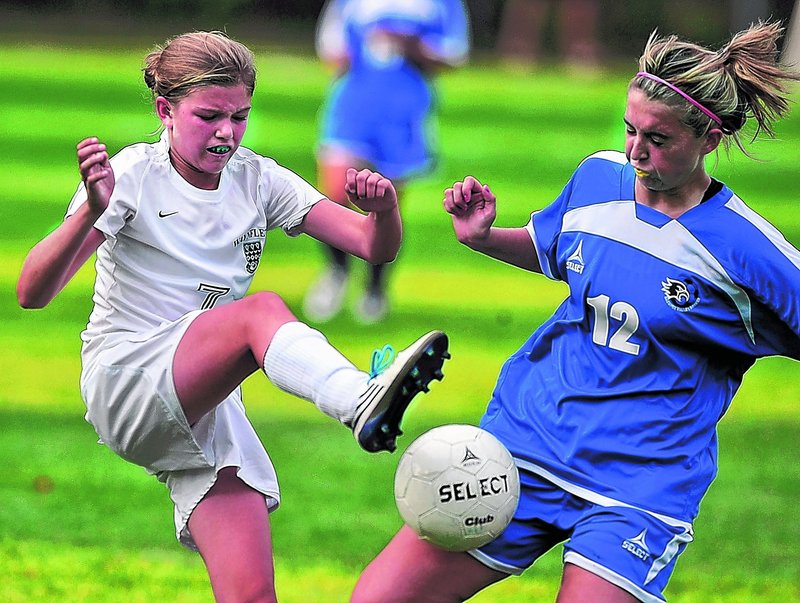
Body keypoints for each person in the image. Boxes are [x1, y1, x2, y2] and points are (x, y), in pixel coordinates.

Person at [351, 21, 800, 603]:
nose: (637, 151)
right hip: (526, 447)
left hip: (639, 488)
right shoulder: (598, 178)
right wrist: (485, 238)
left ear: (708, 139)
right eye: (630, 130)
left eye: (658, 140)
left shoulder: (747, 250)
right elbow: (556, 250)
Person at [15, 31, 450, 603]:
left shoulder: (257, 178)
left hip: (206, 404)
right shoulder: (133, 175)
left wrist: (386, 209)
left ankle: (360, 400)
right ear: (165, 110)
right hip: (127, 377)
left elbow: (373, 246)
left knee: (251, 596)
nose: (226, 132)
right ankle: (357, 399)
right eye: (209, 116)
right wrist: (89, 212)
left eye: (240, 116)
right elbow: (31, 292)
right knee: (259, 313)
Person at [303, 0, 470, 324]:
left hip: (404, 109)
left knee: (385, 205)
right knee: (333, 194)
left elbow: (454, 55)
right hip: (353, 105)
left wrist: (411, 47)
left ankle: (375, 288)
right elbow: (331, 50)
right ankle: (336, 272)